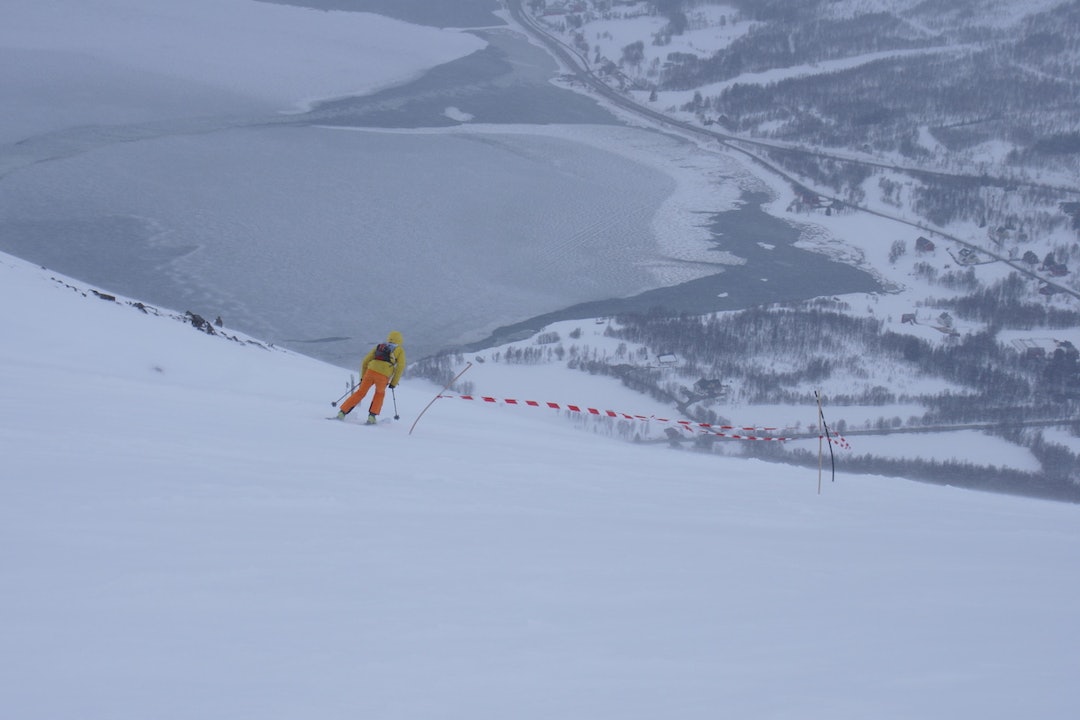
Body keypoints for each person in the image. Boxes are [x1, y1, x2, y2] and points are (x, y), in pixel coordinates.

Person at [336, 331, 405, 424]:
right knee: (379, 394)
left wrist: (363, 377)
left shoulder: (380, 346)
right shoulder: (399, 350)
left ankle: (342, 413)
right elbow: (400, 367)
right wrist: (393, 383)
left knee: (360, 392)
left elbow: (365, 361)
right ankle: (371, 417)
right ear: (400, 340)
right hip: (383, 376)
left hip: (370, 371)